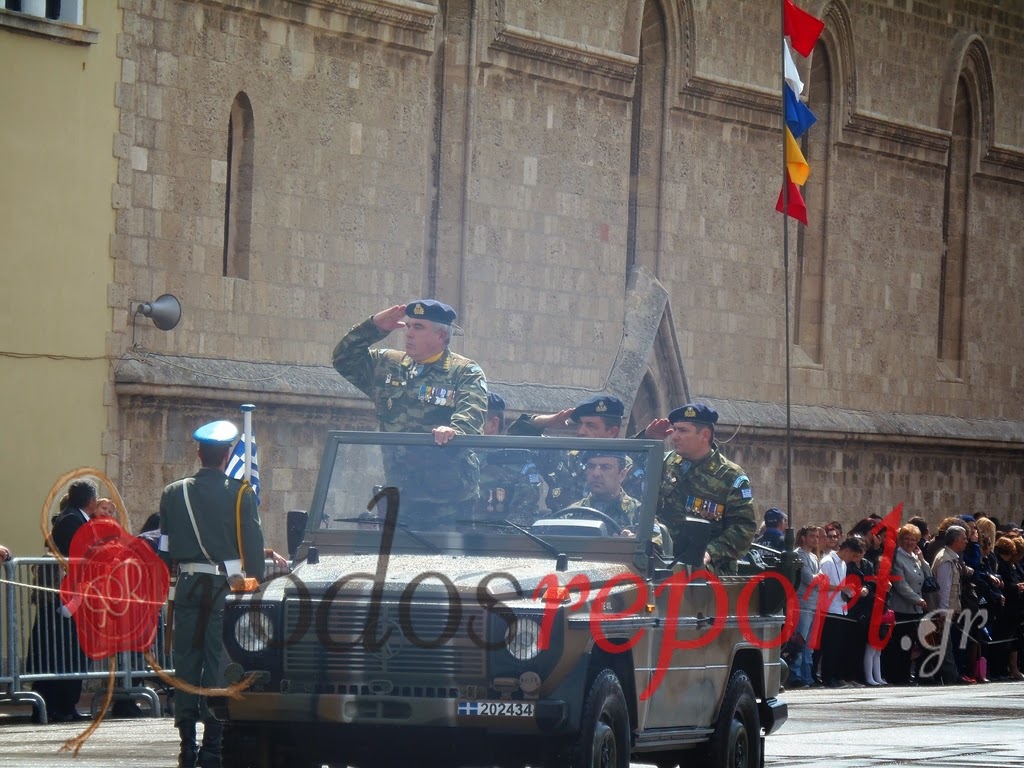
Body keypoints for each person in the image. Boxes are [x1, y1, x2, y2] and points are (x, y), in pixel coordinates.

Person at [159, 420, 267, 768]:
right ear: (228, 456)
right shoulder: (240, 494)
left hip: (188, 587)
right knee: (218, 665)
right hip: (225, 589)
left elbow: (164, 547)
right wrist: (256, 582)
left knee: (186, 664)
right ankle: (211, 748)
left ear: (198, 453)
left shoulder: (174, 493)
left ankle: (186, 746)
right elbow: (252, 547)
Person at [331, 299, 487, 443]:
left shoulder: (466, 372)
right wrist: (373, 327)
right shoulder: (387, 364)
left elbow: (471, 419)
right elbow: (343, 358)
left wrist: (453, 432)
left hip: (446, 470)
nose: (409, 333)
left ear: (441, 335)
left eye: (418, 327)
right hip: (395, 472)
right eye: (409, 326)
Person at [654, 403, 756, 574]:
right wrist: (647, 439)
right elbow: (621, 474)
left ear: (705, 435)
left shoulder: (731, 476)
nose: (674, 436)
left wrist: (710, 552)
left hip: (707, 573)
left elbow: (743, 530)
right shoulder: (665, 463)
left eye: (683, 431)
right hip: (660, 564)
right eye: (675, 430)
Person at [27, 479, 98, 723]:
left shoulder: (74, 518)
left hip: (69, 598)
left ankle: (65, 705)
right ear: (91, 501)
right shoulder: (71, 520)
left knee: (68, 653)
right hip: (63, 599)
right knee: (60, 653)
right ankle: (56, 706)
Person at [507, 393, 639, 506]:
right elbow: (514, 440)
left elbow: (640, 517)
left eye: (590, 426)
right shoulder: (564, 457)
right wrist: (544, 422)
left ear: (612, 432)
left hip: (612, 535)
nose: (581, 431)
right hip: (559, 533)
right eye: (580, 424)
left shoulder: (628, 470)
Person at [475, 392, 542, 525]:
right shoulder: (455, 458)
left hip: (497, 543)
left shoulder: (518, 465)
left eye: (472, 421)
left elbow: (521, 520)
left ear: (493, 424)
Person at [883, 523, 931, 685]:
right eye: (906, 539)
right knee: (899, 645)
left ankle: (904, 674)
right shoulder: (897, 557)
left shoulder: (915, 557)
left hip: (916, 609)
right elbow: (900, 584)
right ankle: (897, 676)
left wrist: (922, 560)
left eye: (913, 539)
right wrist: (916, 599)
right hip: (901, 608)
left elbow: (928, 575)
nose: (910, 542)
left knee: (910, 645)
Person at [818, 535, 869, 688]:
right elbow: (821, 585)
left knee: (839, 646)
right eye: (853, 555)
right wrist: (842, 588)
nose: (854, 559)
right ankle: (827, 677)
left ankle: (836, 676)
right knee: (830, 646)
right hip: (829, 609)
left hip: (841, 608)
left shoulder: (843, 565)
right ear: (846, 550)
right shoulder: (827, 562)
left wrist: (849, 590)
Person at [567, 449, 641, 535]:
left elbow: (656, 544)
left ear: (622, 475)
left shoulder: (639, 513)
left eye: (606, 467)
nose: (596, 473)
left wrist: (633, 545)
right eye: (591, 466)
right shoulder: (571, 513)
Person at [788, 525, 821, 689]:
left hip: (814, 604)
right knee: (799, 642)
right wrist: (820, 578)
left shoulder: (814, 557)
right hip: (803, 604)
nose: (815, 539)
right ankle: (795, 676)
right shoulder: (799, 555)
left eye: (817, 536)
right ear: (803, 537)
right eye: (812, 536)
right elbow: (810, 579)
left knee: (809, 645)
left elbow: (820, 580)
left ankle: (807, 676)